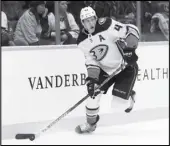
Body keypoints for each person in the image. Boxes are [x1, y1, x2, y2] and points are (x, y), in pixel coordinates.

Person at [76, 7, 139, 134]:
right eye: (86, 21)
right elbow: (91, 60)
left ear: (96, 18)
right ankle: (90, 124)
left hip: (124, 66)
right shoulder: (81, 41)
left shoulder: (107, 24)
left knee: (118, 105)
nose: (91, 23)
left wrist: (130, 49)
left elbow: (131, 30)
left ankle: (130, 95)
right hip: (104, 70)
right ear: (82, 23)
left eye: (92, 19)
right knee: (92, 97)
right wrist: (92, 80)